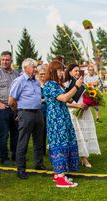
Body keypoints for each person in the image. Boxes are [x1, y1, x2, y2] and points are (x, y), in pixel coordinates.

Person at [42, 60, 81, 188]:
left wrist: (76, 87)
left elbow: (68, 98)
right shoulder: (50, 84)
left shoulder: (57, 84)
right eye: (59, 70)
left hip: (62, 117)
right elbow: (63, 98)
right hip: (56, 119)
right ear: (53, 71)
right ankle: (60, 177)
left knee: (65, 142)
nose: (61, 73)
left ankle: (58, 173)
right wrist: (76, 87)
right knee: (59, 143)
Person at [8, 58, 46, 180]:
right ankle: (21, 169)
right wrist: (19, 112)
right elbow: (11, 101)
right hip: (26, 113)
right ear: (25, 68)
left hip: (38, 113)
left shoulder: (36, 81)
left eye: (36, 67)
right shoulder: (19, 81)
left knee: (39, 140)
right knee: (23, 142)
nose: (35, 69)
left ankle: (39, 164)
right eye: (33, 67)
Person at [64, 64, 101, 168]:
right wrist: (77, 105)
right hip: (74, 112)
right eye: (75, 71)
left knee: (85, 135)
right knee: (78, 136)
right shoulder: (67, 84)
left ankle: (84, 156)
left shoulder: (82, 83)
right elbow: (65, 101)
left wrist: (90, 102)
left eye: (78, 71)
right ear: (70, 72)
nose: (77, 73)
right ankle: (83, 158)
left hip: (85, 112)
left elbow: (87, 95)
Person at [36, 64, 48, 156]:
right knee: (39, 132)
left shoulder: (48, 84)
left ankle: (46, 150)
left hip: (48, 111)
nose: (43, 76)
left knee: (47, 131)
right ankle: (40, 151)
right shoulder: (35, 84)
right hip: (39, 111)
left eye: (44, 74)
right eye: (41, 74)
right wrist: (44, 100)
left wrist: (44, 100)